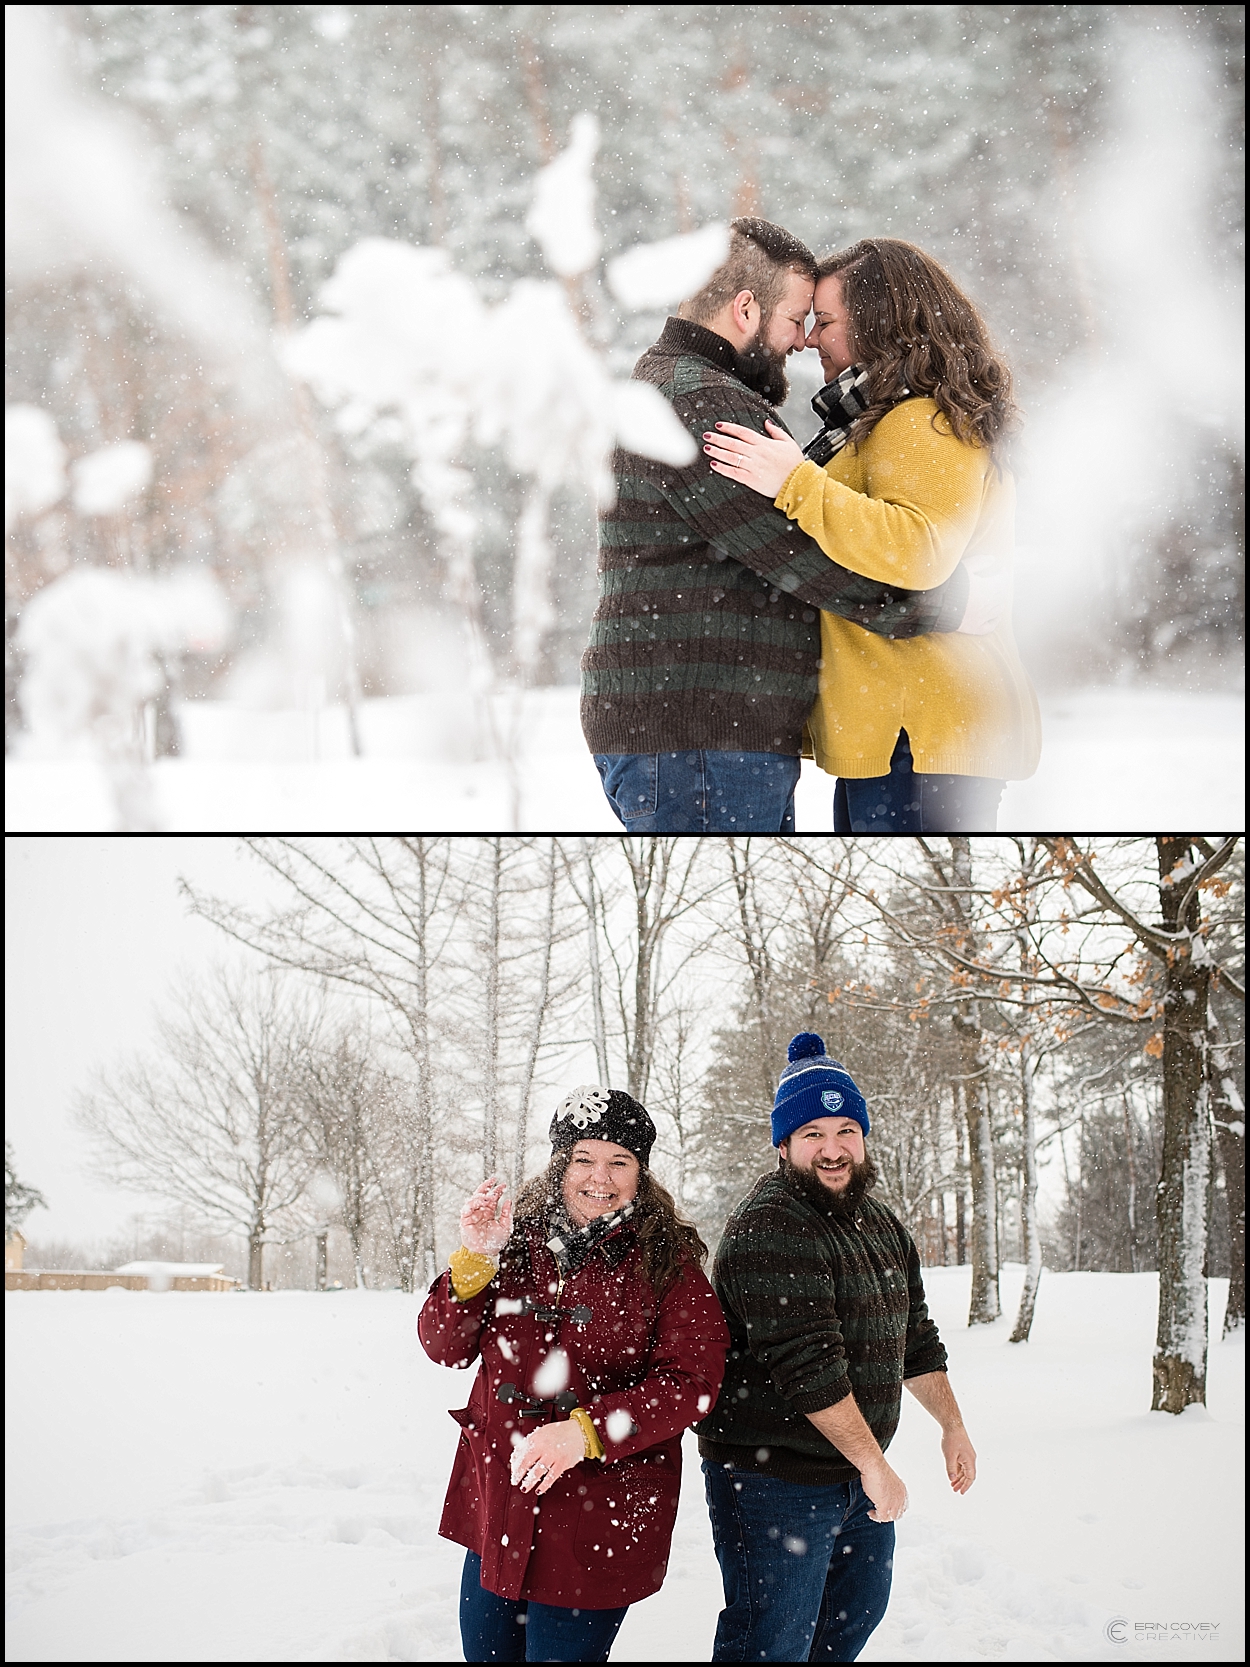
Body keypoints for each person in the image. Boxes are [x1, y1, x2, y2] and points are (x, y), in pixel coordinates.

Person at [581, 217, 971, 834]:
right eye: (795, 319)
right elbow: (805, 559)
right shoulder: (702, 403)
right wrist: (948, 605)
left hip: (694, 729)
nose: (802, 341)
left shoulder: (673, 386)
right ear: (744, 309)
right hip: (702, 732)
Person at [701, 236, 1042, 832]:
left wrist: (796, 482)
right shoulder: (882, 421)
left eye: (826, 322)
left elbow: (917, 551)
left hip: (926, 731)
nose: (809, 340)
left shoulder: (922, 420)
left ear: (882, 326)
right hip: (903, 733)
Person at [418, 1084, 729, 1663]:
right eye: (584, 1159)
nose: (600, 1178)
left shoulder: (669, 1261)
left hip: (596, 1522)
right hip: (500, 1507)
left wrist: (588, 1431)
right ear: (562, 1163)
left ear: (642, 1172)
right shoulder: (513, 1242)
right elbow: (445, 1347)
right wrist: (475, 1258)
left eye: (620, 1162)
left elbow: (693, 1383)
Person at [697, 1033, 978, 1662]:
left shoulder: (877, 1222)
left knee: (849, 1624)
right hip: (773, 1478)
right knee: (771, 1642)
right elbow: (809, 1367)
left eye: (846, 1129)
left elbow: (916, 1337)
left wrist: (951, 1426)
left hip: (852, 1473)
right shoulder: (771, 1224)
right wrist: (876, 1466)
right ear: (784, 1145)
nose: (833, 1149)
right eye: (813, 1134)